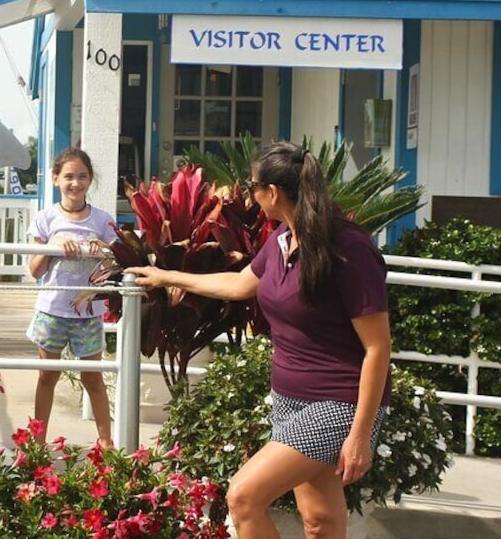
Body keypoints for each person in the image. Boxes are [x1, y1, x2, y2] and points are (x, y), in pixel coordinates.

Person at [127, 141, 391, 539]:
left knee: (243, 497)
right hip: (290, 398)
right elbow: (239, 284)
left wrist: (359, 435)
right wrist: (168, 277)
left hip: (340, 402)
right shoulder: (284, 239)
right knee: (321, 522)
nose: (250, 196)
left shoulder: (348, 249)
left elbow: (378, 347)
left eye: (252, 187)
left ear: (273, 193)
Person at [26, 148, 118, 448]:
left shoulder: (103, 220)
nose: (75, 183)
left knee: (93, 379)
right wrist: (51, 246)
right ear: (55, 179)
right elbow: (34, 270)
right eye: (68, 177)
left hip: (88, 314)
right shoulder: (46, 218)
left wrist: (102, 250)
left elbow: (113, 267)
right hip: (52, 311)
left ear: (90, 180)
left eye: (82, 176)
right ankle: (37, 444)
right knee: (46, 378)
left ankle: (107, 445)